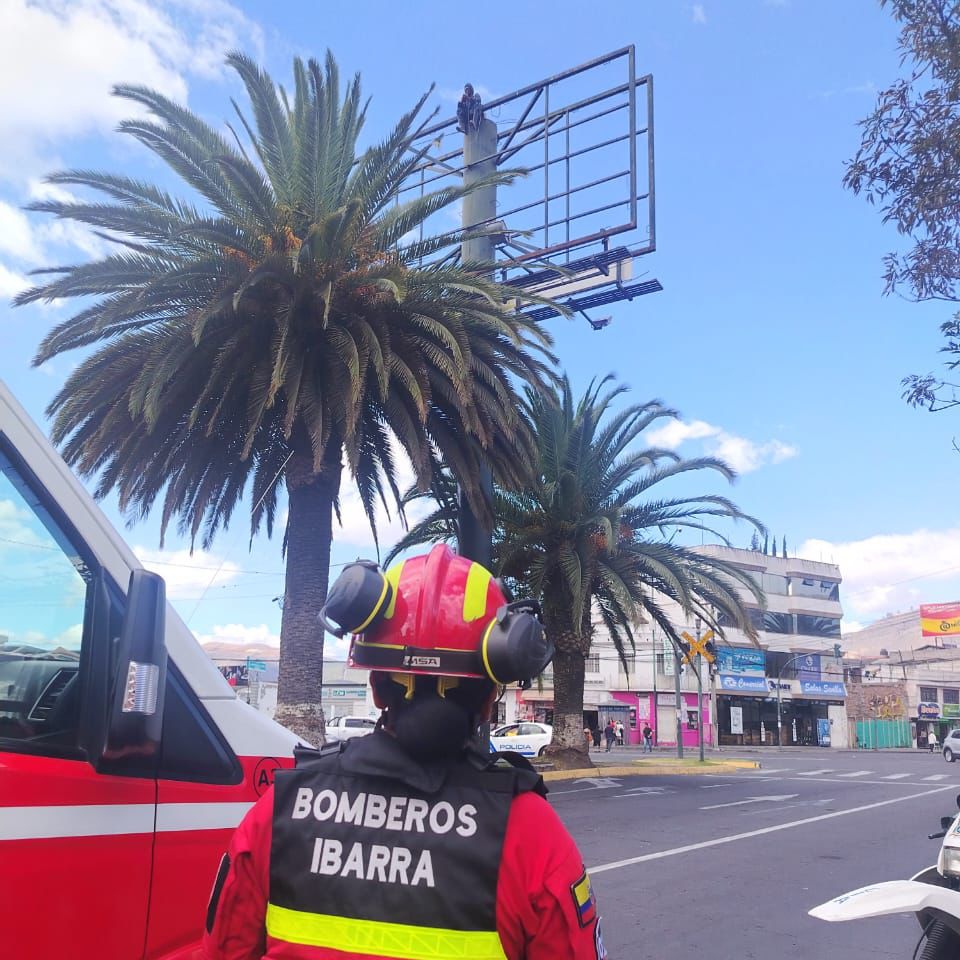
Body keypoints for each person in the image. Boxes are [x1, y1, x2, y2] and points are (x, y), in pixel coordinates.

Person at [204, 544, 606, 960]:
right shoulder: (530, 832)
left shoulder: (280, 812)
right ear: (489, 699)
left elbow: (222, 949)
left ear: (376, 690)